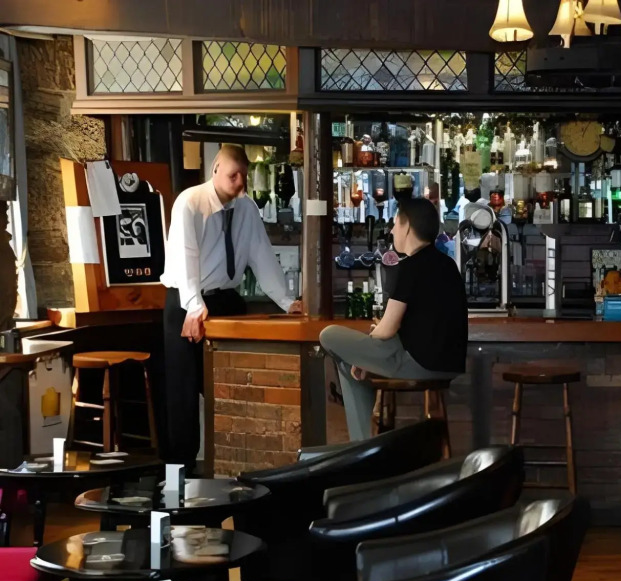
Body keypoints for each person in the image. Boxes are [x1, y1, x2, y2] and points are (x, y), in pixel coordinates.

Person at [160, 145, 301, 474]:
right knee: (182, 392)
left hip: (226, 301)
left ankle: (230, 465)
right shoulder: (190, 202)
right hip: (184, 300)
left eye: (243, 176)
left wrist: (287, 301)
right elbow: (184, 257)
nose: (239, 182)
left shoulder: (247, 208)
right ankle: (179, 476)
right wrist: (194, 307)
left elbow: (261, 255)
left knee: (231, 386)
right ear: (216, 169)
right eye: (233, 175)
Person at [320, 197, 468, 442]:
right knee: (349, 363)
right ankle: (364, 445)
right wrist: (365, 354)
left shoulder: (410, 266)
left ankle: (363, 446)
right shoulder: (447, 264)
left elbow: (387, 328)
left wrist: (368, 346)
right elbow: (416, 324)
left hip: (419, 363)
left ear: (407, 226)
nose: (391, 231)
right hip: (448, 364)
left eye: (396, 224)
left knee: (329, 335)